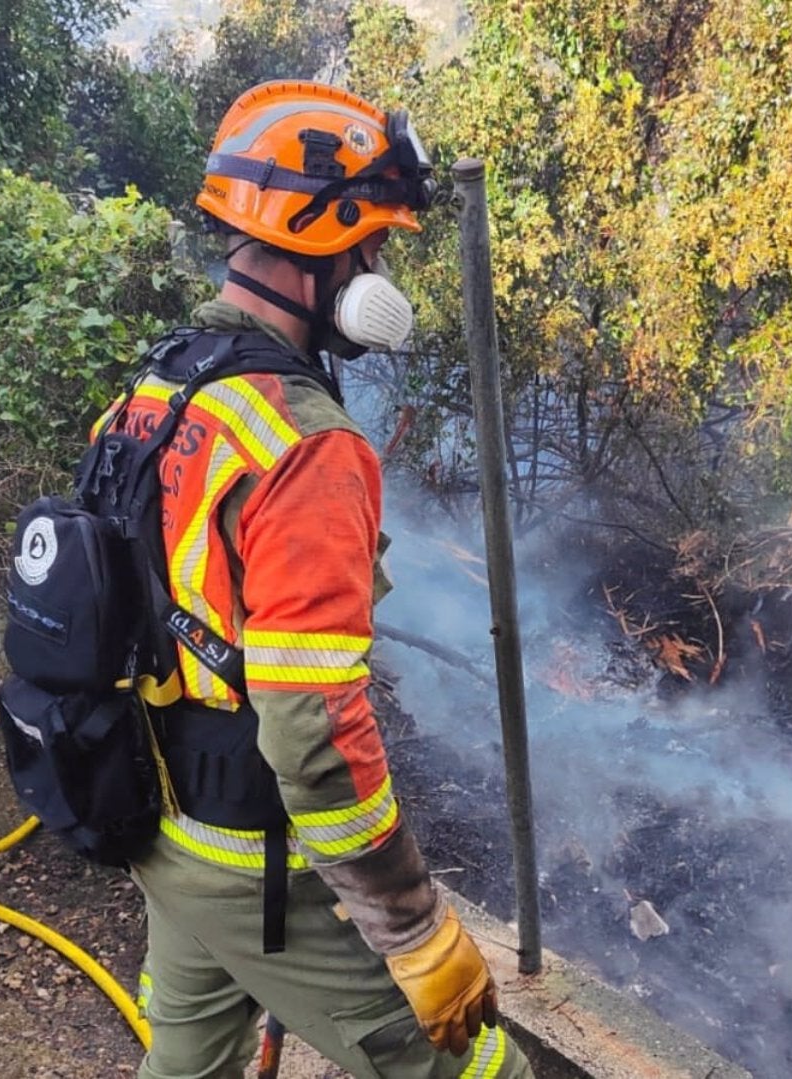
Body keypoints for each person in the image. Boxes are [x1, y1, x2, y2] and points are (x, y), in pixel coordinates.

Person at [101, 81, 533, 1078]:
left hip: (158, 815)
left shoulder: (162, 383)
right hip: (251, 854)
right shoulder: (305, 439)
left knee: (190, 1064)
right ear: (320, 235)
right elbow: (309, 721)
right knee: (483, 1071)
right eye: (373, 245)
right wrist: (411, 923)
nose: (379, 270)